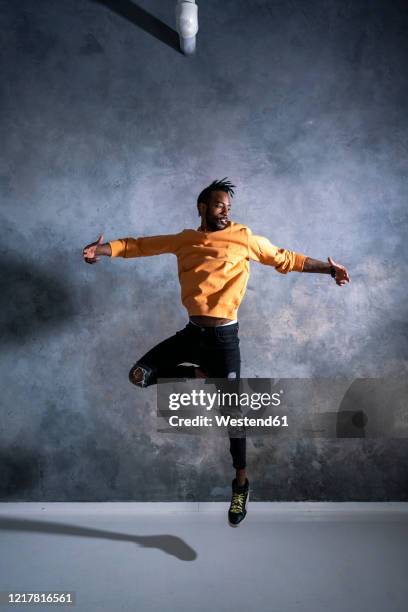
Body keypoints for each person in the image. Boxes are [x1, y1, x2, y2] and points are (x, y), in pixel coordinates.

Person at [82, 178, 350, 526]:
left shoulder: (243, 237)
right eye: (220, 205)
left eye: (229, 206)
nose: (226, 211)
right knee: (138, 376)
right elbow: (139, 245)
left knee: (233, 419)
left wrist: (329, 269)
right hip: (191, 336)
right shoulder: (185, 240)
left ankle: (240, 484)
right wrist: (100, 251)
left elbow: (286, 258)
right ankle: (197, 373)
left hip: (225, 341)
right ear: (203, 208)